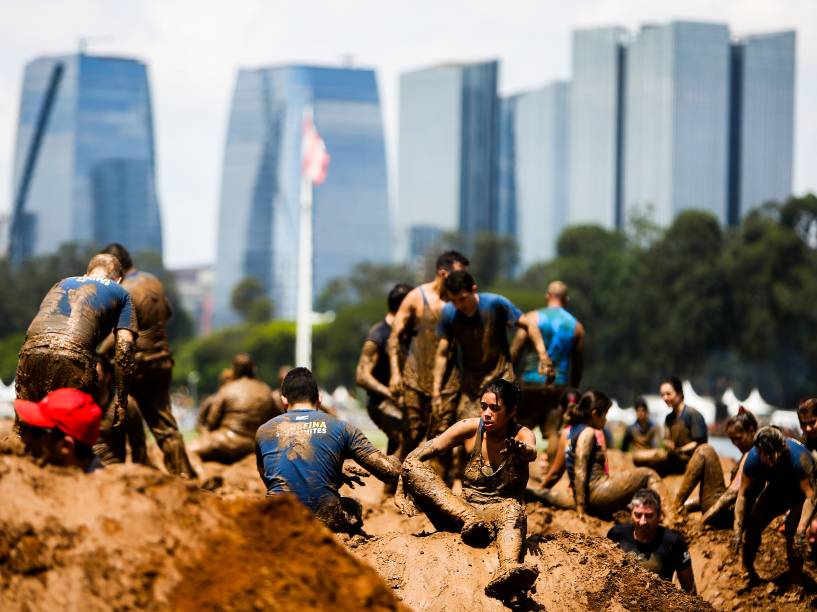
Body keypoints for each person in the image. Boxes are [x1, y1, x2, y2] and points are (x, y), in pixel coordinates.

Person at [401, 379, 539, 602]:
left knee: (512, 509)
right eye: (483, 406)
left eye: (495, 408)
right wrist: (403, 480)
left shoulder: (522, 435)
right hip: (462, 515)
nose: (487, 413)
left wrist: (522, 451)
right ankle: (473, 522)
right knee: (414, 467)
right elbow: (432, 446)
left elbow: (532, 450)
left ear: (512, 411)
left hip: (499, 516)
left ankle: (508, 570)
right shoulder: (471, 427)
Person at [256, 367, 400, 533]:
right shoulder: (342, 428)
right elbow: (388, 472)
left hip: (276, 519)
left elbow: (268, 476)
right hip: (325, 519)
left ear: (283, 400)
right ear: (320, 398)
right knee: (353, 507)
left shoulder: (264, 431)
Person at [99, 244, 196, 478]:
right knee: (164, 423)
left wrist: (100, 355)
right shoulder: (153, 281)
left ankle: (130, 468)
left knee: (119, 413)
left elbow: (121, 333)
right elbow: (168, 313)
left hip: (137, 364)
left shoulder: (123, 290)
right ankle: (184, 475)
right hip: (162, 360)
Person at [15, 254, 136, 429]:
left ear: (86, 275)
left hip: (31, 353)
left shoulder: (61, 283)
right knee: (71, 430)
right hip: (73, 358)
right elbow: (125, 345)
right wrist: (122, 400)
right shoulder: (121, 292)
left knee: (28, 430)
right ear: (118, 280)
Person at [435, 270, 553, 426]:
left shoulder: (495, 304)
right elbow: (442, 353)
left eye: (463, 299)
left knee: (502, 428)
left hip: (501, 376)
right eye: (454, 300)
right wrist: (436, 390)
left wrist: (543, 356)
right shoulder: (449, 314)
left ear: (474, 290)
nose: (459, 305)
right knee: (466, 429)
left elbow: (529, 324)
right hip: (472, 383)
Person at [388, 251, 469, 462]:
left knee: (443, 435)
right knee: (413, 433)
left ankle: (436, 487)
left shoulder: (459, 303)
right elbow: (394, 337)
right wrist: (395, 374)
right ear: (443, 273)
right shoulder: (416, 297)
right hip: (415, 375)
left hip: (447, 379)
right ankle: (393, 481)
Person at [566, 390, 671, 518]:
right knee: (647, 474)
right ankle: (672, 517)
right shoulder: (587, 432)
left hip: (591, 493)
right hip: (597, 492)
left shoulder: (573, 430)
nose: (606, 420)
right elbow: (580, 469)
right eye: (605, 415)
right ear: (594, 414)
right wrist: (581, 508)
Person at [733, 426, 817, 583]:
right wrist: (737, 528)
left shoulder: (799, 458)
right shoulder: (753, 458)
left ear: (783, 447)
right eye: (766, 457)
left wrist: (801, 529)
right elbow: (742, 495)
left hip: (802, 493)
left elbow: (810, 497)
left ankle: (796, 581)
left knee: (793, 534)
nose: (770, 462)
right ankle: (747, 570)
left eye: (773, 457)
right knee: (752, 526)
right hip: (778, 488)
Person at [512, 280, 585, 460]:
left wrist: (509, 377)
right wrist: (572, 390)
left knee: (519, 429)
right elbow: (578, 365)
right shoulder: (576, 327)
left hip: (529, 383)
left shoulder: (532, 318)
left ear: (547, 296)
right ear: (566, 300)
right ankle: (549, 475)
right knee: (553, 432)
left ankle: (514, 469)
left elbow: (515, 350)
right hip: (558, 388)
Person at [355, 283, 413, 455]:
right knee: (406, 435)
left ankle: (391, 481)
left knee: (403, 442)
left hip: (403, 402)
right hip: (381, 403)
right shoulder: (378, 335)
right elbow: (361, 376)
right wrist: (389, 393)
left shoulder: (409, 332)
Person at [189, 353, 278, 464]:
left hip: (228, 441)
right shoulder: (265, 389)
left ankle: (200, 476)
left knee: (188, 451)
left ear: (235, 369)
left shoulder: (228, 389)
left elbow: (212, 422)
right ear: (253, 369)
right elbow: (274, 419)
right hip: (258, 444)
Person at [607, 489, 696, 594]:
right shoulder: (616, 534)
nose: (643, 521)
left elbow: (690, 590)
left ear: (659, 516)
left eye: (649, 516)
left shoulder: (673, 542)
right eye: (638, 515)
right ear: (631, 513)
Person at [15, 388, 105, 473]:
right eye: (26, 428)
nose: (25, 438)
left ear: (65, 447)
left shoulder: (97, 487)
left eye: (35, 431)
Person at [633, 377, 708, 475]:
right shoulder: (669, 418)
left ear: (679, 393)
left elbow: (699, 443)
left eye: (668, 394)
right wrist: (667, 444)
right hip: (673, 457)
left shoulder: (692, 414)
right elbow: (666, 439)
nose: (665, 398)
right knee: (638, 457)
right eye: (662, 395)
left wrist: (679, 450)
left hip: (690, 460)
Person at [93, 355, 150, 466]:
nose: (92, 380)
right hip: (84, 472)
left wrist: (139, 472)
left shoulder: (125, 405)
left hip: (113, 468)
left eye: (97, 375)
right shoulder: (80, 403)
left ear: (107, 377)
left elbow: (138, 444)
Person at [197, 368, 234, 433]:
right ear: (221, 383)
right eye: (226, 380)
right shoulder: (211, 401)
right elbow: (199, 423)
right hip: (214, 436)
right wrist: (206, 434)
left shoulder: (237, 402)